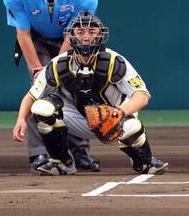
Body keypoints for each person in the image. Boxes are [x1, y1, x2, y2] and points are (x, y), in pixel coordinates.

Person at [12, 11, 169, 176]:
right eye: (80, 32)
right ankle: (62, 162)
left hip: (115, 119)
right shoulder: (58, 64)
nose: (86, 37)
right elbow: (31, 96)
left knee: (133, 127)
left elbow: (142, 95)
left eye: (92, 32)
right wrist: (21, 119)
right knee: (41, 108)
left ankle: (143, 161)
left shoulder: (114, 61)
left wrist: (120, 112)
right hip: (78, 119)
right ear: (71, 35)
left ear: (100, 34)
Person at [3, 0, 101, 173]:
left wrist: (58, 68)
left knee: (75, 87)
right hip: (36, 39)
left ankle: (80, 151)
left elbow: (73, 34)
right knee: (41, 90)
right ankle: (39, 154)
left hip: (71, 38)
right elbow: (23, 34)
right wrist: (39, 69)